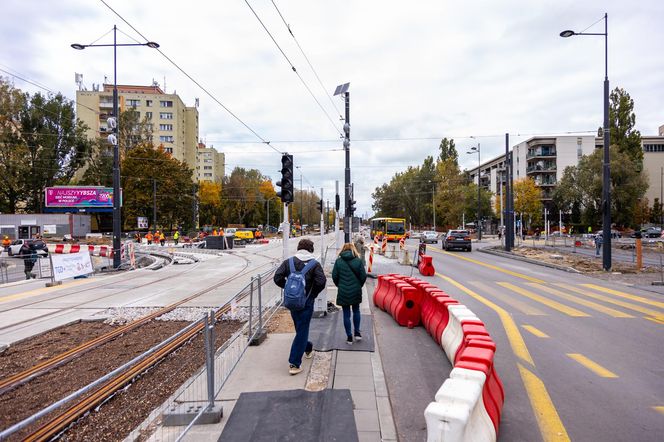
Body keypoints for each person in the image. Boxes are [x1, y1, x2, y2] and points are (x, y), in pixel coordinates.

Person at [273, 239, 326, 375]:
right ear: (311, 249)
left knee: (300, 328)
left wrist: (289, 289)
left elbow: (277, 277)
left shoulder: (289, 262)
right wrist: (312, 295)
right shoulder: (315, 265)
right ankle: (294, 363)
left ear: (299, 248)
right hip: (306, 302)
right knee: (302, 329)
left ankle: (307, 348)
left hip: (292, 302)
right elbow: (321, 282)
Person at [332, 243, 368, 345]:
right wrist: (358, 285)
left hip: (343, 290)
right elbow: (363, 276)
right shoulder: (358, 261)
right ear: (353, 250)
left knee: (346, 314)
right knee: (356, 311)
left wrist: (340, 285)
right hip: (356, 290)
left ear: (342, 250)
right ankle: (357, 333)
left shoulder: (338, 262)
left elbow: (334, 276)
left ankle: (349, 337)